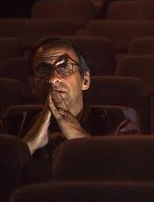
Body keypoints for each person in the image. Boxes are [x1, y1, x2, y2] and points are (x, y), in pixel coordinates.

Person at [0, 37, 140, 181]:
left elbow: (130, 184)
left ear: (85, 80)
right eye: (43, 70)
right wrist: (28, 145)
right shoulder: (9, 128)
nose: (53, 78)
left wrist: (79, 137)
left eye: (64, 68)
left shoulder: (120, 126)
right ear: (32, 87)